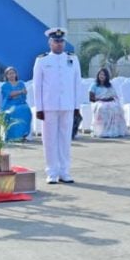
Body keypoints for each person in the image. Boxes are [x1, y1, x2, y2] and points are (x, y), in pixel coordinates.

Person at [32, 28, 82, 183]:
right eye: (56, 41)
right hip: (49, 105)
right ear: (50, 43)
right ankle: (52, 172)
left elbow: (77, 84)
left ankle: (65, 171)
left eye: (61, 41)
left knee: (65, 139)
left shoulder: (72, 59)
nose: (59, 44)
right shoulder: (42, 60)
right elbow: (37, 85)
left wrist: (76, 106)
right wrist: (39, 108)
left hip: (67, 105)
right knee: (49, 140)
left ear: (64, 42)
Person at [89, 68, 128, 138]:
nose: (102, 76)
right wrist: (101, 99)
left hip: (109, 101)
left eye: (104, 75)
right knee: (102, 108)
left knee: (117, 108)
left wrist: (108, 99)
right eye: (100, 74)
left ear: (106, 76)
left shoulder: (110, 85)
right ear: (98, 75)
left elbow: (114, 96)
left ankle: (114, 130)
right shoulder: (94, 85)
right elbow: (91, 98)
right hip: (98, 102)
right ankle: (102, 130)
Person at [0, 66, 32, 141]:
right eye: (9, 74)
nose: (11, 75)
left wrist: (20, 93)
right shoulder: (5, 85)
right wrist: (20, 92)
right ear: (6, 76)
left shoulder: (21, 83)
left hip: (21, 103)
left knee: (26, 110)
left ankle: (23, 135)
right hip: (9, 105)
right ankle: (13, 136)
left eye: (13, 73)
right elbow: (10, 95)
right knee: (15, 111)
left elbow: (24, 94)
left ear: (16, 74)